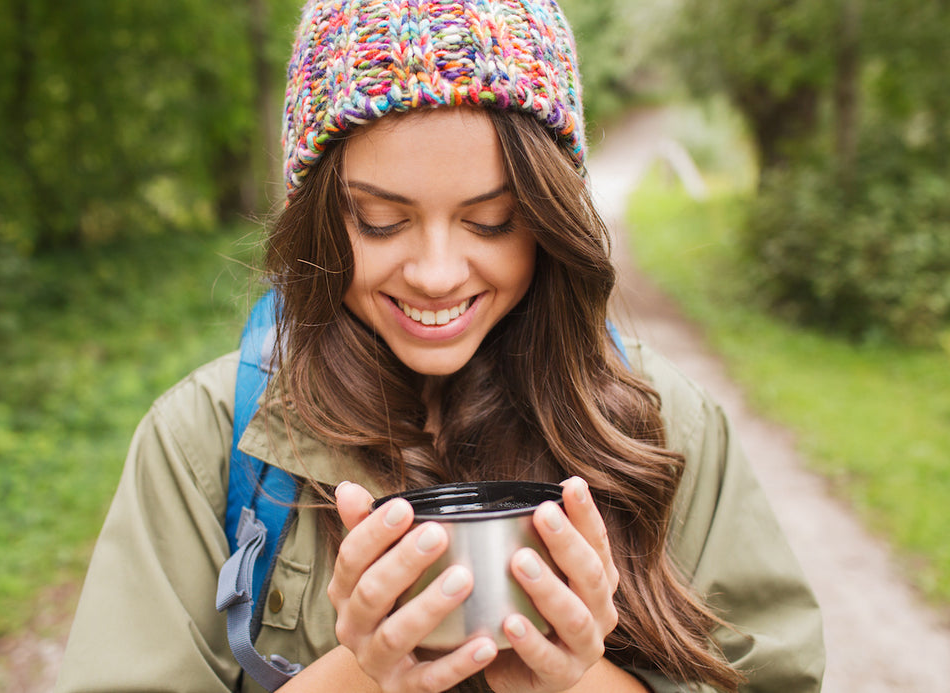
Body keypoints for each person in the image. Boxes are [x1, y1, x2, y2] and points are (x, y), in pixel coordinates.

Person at [55, 1, 825, 691]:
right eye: (380, 220)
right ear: (319, 216)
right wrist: (362, 670)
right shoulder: (206, 440)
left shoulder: (663, 428)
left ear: (550, 216)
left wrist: (577, 681)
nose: (434, 274)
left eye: (491, 221)